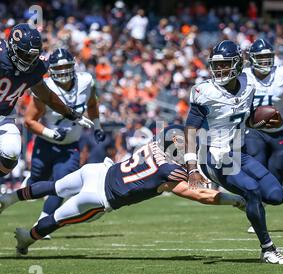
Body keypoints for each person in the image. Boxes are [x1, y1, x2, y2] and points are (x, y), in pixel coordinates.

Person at [0, 125, 246, 256]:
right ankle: (26, 240)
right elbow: (200, 194)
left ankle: (10, 197)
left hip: (96, 171)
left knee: (55, 186)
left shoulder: (153, 144)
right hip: (98, 197)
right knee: (57, 220)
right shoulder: (168, 173)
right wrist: (235, 199)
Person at [184, 40, 283, 264]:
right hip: (215, 157)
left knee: (276, 196)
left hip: (238, 153)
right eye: (216, 65)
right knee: (251, 189)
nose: (219, 70)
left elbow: (246, 118)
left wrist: (260, 122)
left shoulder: (248, 85)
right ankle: (268, 249)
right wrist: (192, 167)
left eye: (225, 65)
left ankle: (249, 206)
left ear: (238, 65)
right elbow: (191, 130)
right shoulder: (204, 91)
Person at [24, 48, 106, 239]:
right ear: (51, 70)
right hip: (45, 144)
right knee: (37, 180)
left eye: (67, 67)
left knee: (62, 185)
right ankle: (20, 189)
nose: (63, 72)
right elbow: (29, 121)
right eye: (58, 68)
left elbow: (92, 104)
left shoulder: (86, 81)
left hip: (70, 145)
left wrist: (97, 126)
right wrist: (52, 134)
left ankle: (42, 222)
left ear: (74, 66)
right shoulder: (44, 87)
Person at [0, 23, 93, 178]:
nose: (30, 61)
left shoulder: (35, 68)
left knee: (11, 153)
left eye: (33, 56)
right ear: (12, 48)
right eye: (26, 55)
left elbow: (46, 95)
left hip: (5, 116)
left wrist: (71, 114)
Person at [243, 39, 283, 229]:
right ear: (252, 59)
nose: (265, 62)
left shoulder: (282, 75)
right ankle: (255, 215)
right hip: (254, 131)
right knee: (256, 177)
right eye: (261, 58)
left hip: (279, 133)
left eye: (267, 57)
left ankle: (260, 206)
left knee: (275, 184)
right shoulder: (244, 77)